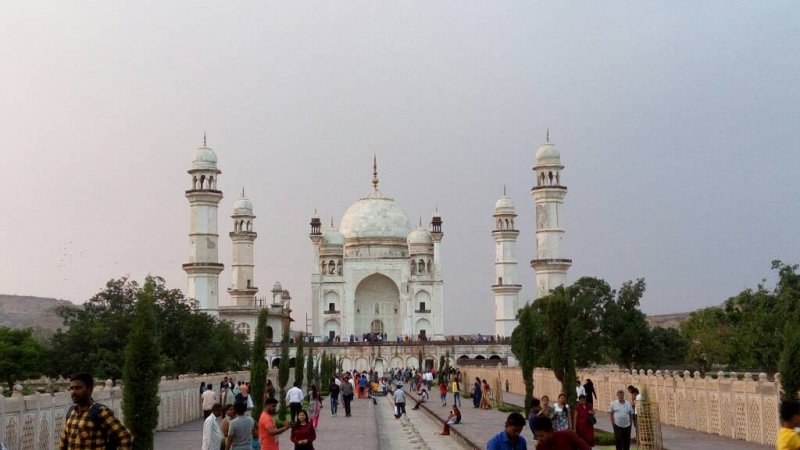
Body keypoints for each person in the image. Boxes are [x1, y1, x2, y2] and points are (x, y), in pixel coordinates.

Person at [59, 372, 133, 450]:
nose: (73, 392)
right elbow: (63, 443)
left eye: (78, 388)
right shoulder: (71, 413)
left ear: (90, 389)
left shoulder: (100, 412)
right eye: (71, 388)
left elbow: (125, 437)